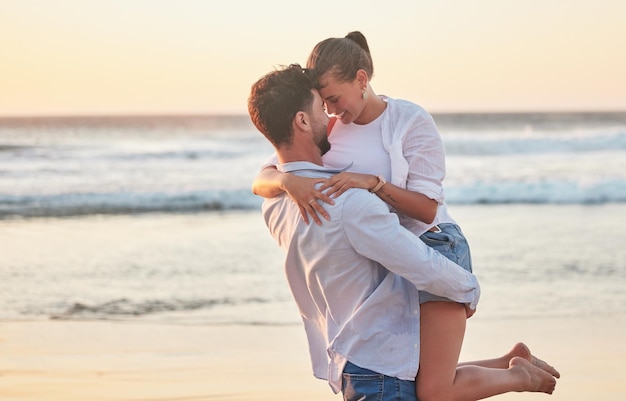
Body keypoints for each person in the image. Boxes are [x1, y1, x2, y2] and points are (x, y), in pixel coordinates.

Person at [248, 63, 558, 401]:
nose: (331, 116)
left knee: (435, 387)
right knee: (435, 388)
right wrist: (469, 288)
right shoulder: (348, 203)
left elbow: (422, 218)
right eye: (320, 108)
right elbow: (419, 263)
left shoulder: (274, 205)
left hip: (358, 360)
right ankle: (514, 371)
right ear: (302, 121)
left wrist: (283, 179)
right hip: (376, 365)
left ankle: (512, 370)